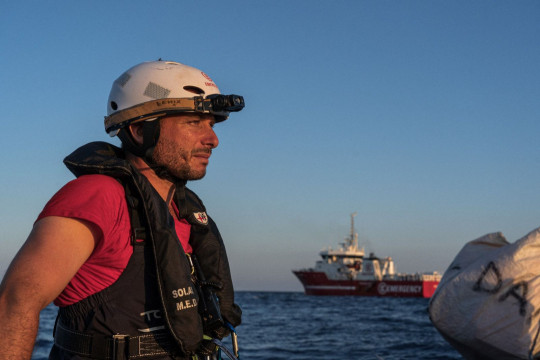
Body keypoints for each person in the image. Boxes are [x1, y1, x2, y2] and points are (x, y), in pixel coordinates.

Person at [0, 60, 245, 360]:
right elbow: (15, 301)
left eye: (211, 124)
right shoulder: (98, 196)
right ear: (141, 130)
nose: (213, 140)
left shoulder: (183, 214)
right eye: (193, 123)